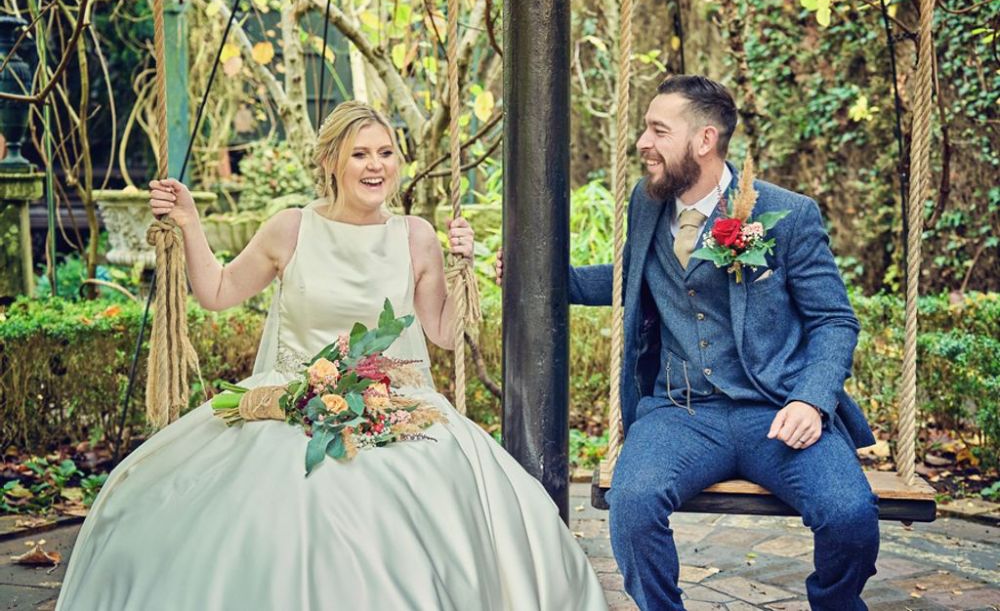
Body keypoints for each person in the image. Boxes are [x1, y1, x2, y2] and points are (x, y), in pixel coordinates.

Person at [57, 101, 607, 611]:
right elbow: (219, 292)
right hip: (291, 402)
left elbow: (441, 333)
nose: (376, 167)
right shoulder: (291, 228)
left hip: (396, 403)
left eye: (386, 153)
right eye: (360, 155)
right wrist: (190, 222)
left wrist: (466, 271)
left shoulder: (415, 237)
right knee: (277, 502)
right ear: (330, 162)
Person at [497, 75, 880, 610]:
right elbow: (628, 277)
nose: (643, 144)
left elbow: (835, 320)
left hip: (776, 409)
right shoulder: (648, 203)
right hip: (681, 411)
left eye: (658, 130)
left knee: (850, 515)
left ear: (704, 140)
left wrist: (810, 400)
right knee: (631, 505)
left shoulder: (788, 215)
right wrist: (533, 275)